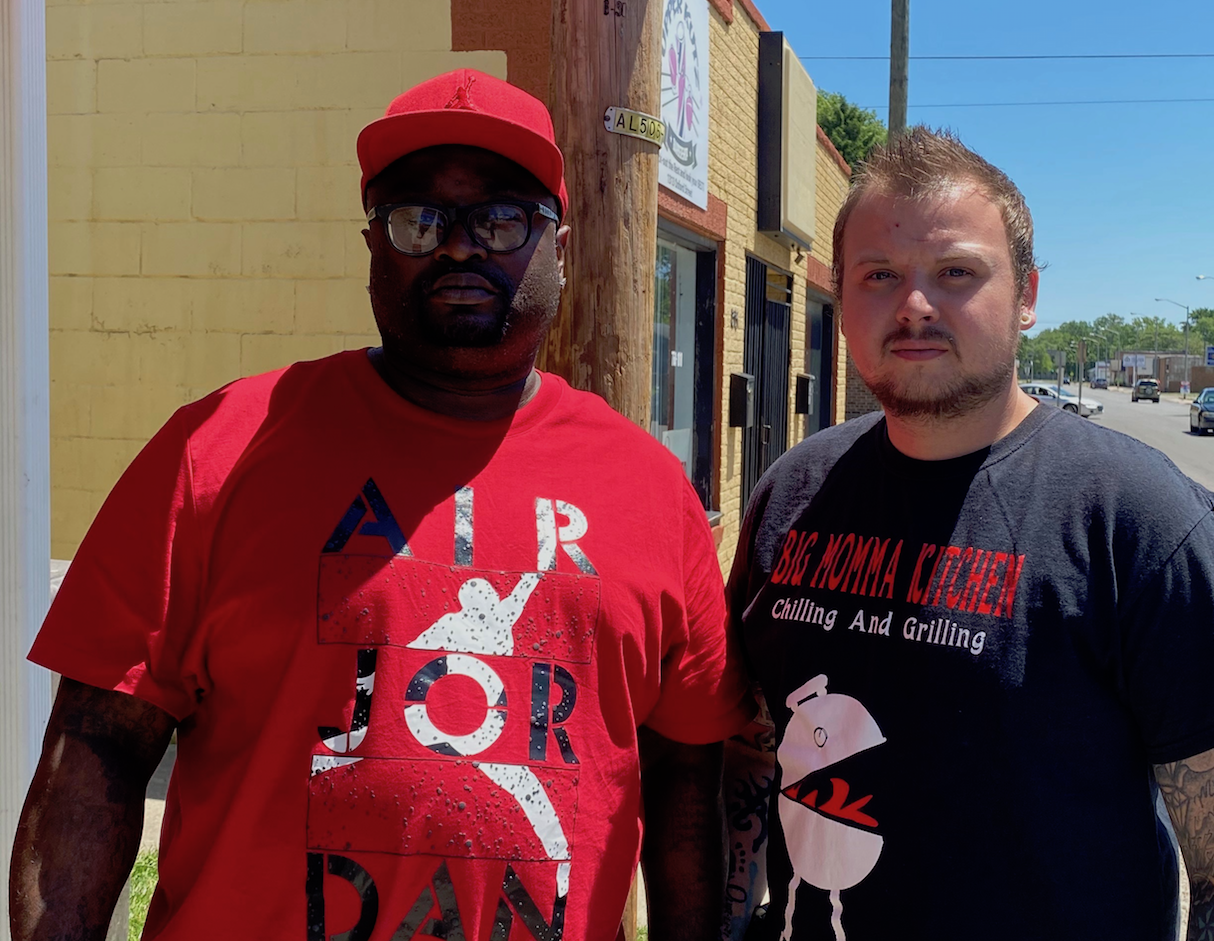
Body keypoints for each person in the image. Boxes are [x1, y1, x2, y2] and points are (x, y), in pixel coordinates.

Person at [12, 69, 751, 941]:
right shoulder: (217, 452)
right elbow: (93, 751)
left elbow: (686, 786)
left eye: (502, 218)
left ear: (560, 246)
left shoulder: (652, 491)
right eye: (417, 219)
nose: (458, 247)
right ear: (373, 244)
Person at [722, 128, 1214, 941]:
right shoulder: (793, 493)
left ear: (1026, 295)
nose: (915, 304)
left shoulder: (1140, 520)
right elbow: (750, 750)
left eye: (956, 272)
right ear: (841, 294)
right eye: (879, 274)